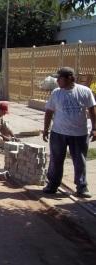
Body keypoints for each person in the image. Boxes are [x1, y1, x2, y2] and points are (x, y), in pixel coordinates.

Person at [42, 67, 96, 198]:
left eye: (59, 78)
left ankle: (82, 187)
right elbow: (49, 111)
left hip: (79, 134)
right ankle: (53, 184)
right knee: (55, 160)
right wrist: (46, 129)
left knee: (79, 161)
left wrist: (94, 128)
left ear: (69, 78)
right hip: (58, 133)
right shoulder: (56, 93)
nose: (57, 80)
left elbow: (92, 110)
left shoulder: (85, 91)